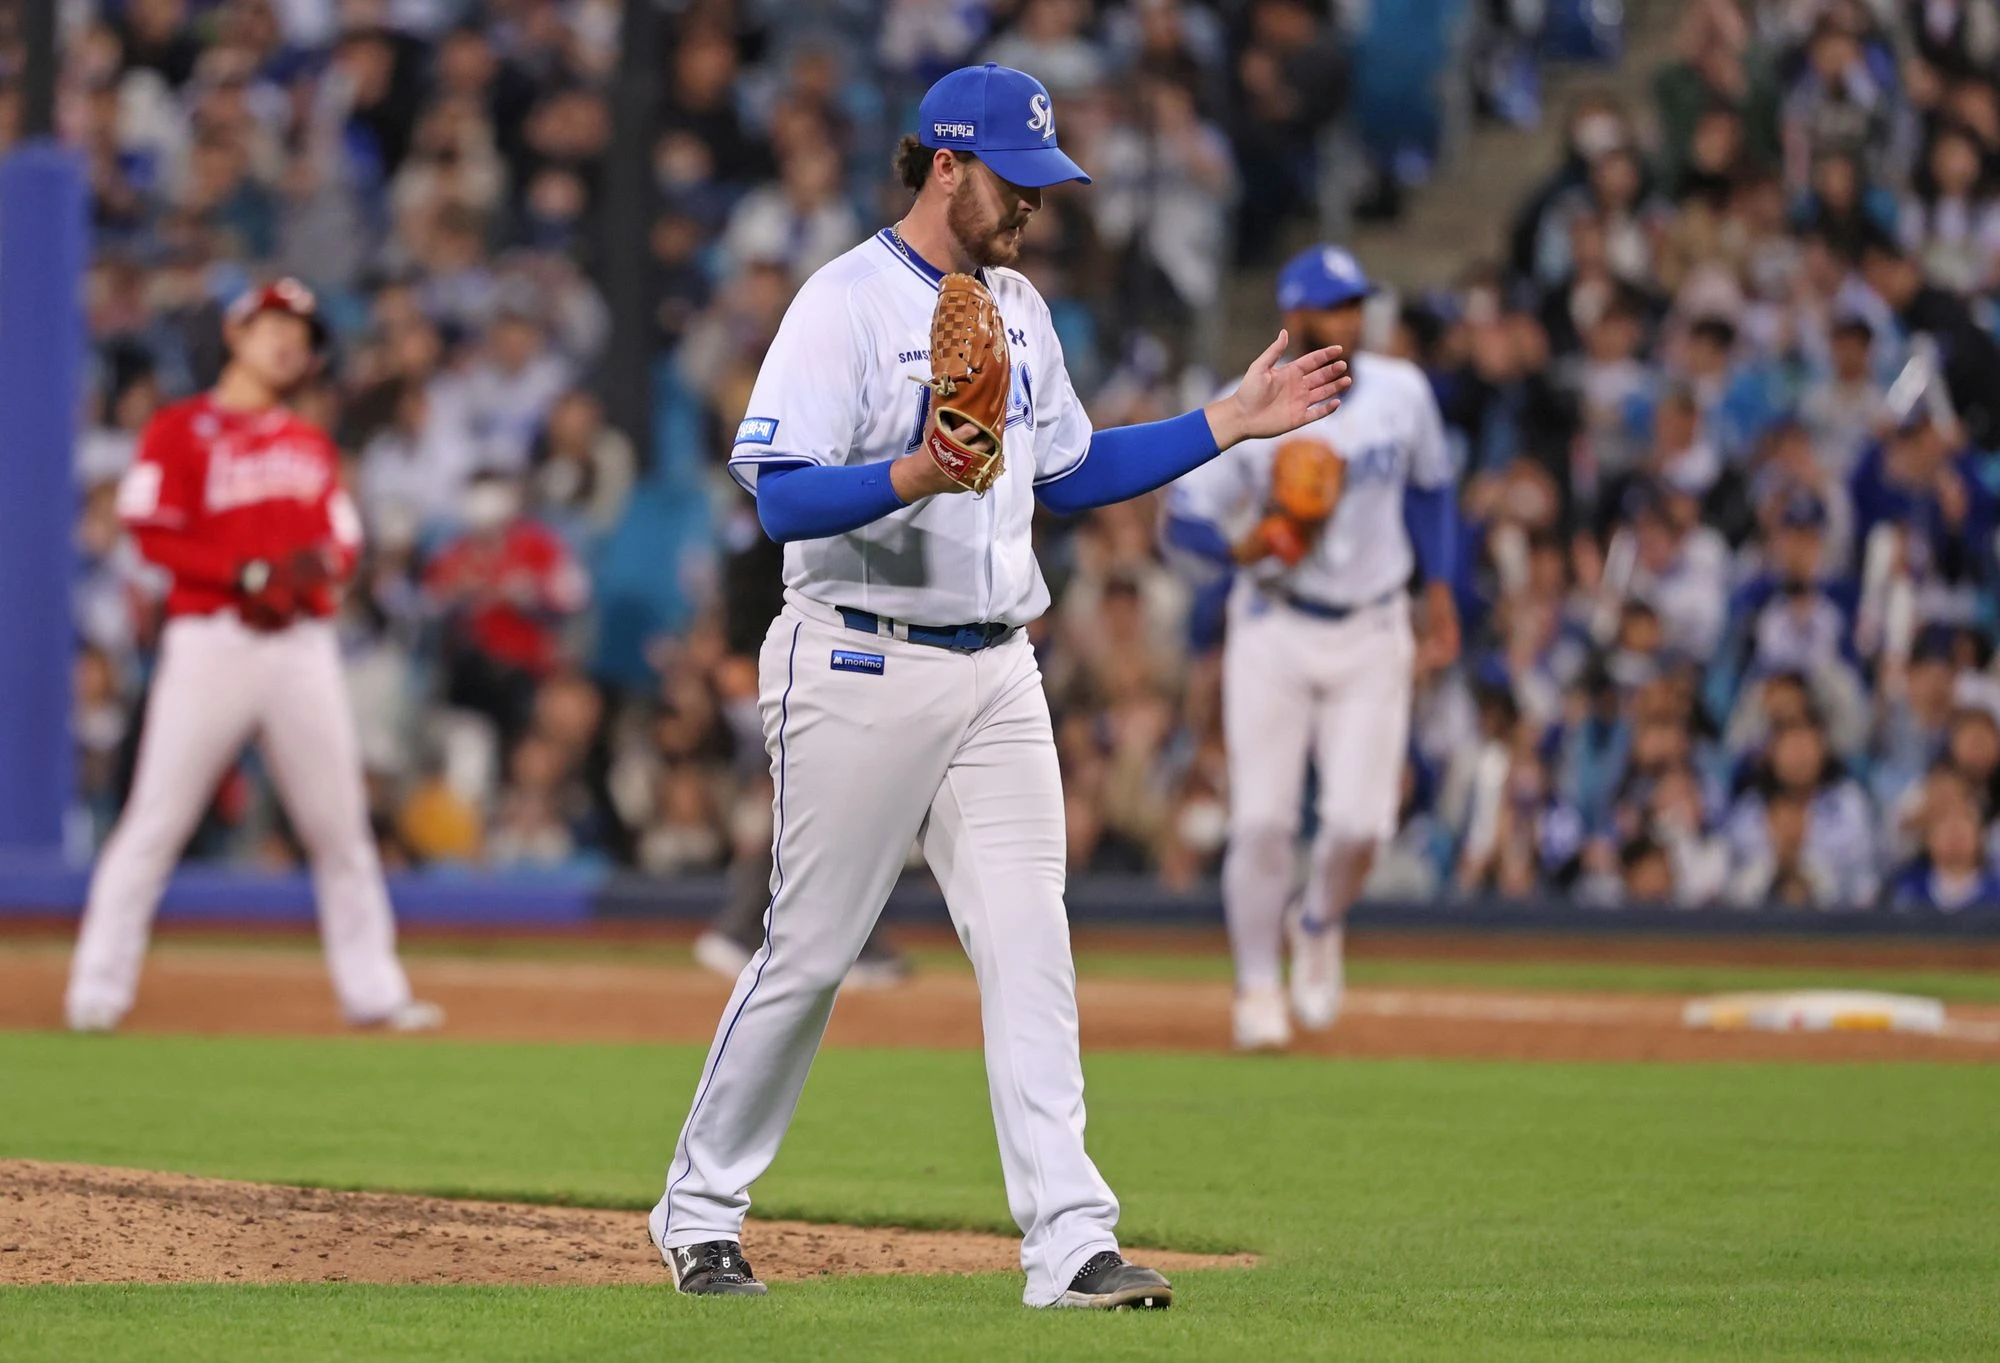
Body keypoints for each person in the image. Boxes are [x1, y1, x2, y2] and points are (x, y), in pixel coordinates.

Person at [647, 64, 1348, 1308]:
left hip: (997, 670)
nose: (1034, 203)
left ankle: (1069, 1240)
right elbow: (780, 493)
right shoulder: (843, 301)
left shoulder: (1017, 306)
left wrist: (1224, 422)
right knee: (808, 952)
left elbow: (1067, 474)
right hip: (856, 655)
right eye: (1015, 180)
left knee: (1031, 946)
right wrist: (913, 471)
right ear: (946, 165)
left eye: (1045, 181)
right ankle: (699, 1210)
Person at [66, 280, 442, 1035]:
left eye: (300, 334)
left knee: (339, 827)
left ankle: (373, 989)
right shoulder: (178, 429)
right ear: (236, 333)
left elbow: (341, 540)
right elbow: (151, 531)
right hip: (212, 638)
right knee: (154, 822)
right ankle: (96, 992)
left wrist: (318, 571)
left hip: (299, 644)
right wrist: (242, 573)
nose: (288, 342)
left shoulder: (308, 444)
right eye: (274, 323)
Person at [1162, 245, 1460, 1050]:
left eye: (1357, 303)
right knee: (1260, 821)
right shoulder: (1255, 402)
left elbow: (1433, 487)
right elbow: (1180, 516)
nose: (1352, 319)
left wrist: (1440, 593)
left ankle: (1320, 919)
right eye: (1334, 307)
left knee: (1362, 825)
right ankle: (1257, 985)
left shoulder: (1401, 391)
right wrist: (1243, 549)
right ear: (1295, 316)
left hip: (1373, 625)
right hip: (1275, 625)